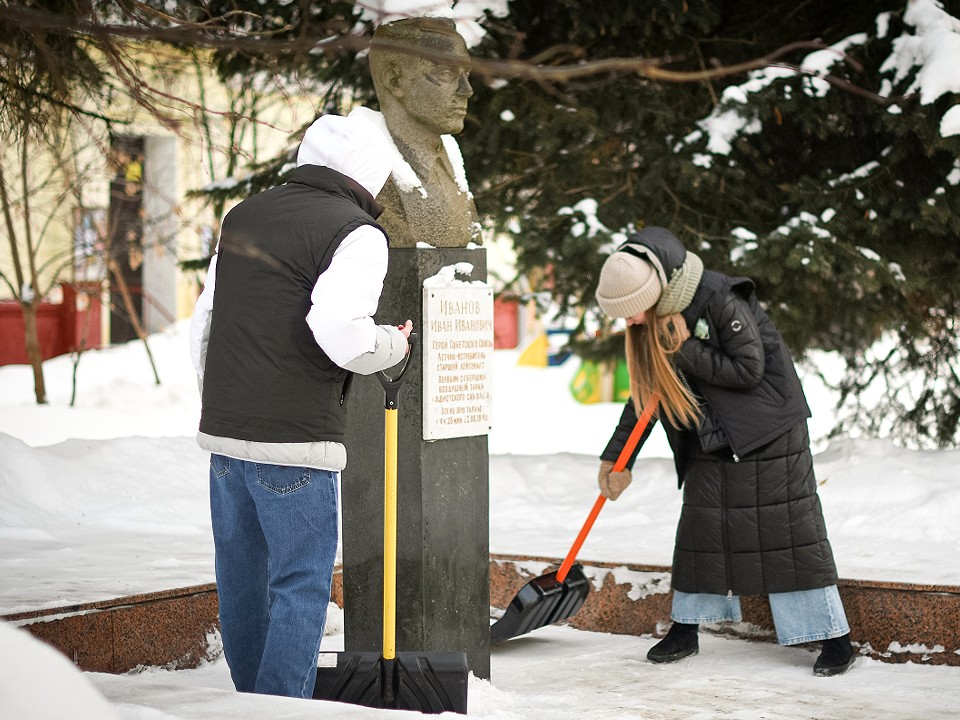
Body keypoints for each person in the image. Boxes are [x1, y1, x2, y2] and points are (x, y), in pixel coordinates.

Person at [189, 113, 413, 698]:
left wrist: (224, 408)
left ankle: (251, 704)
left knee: (240, 582)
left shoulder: (244, 214)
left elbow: (206, 321)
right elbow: (339, 329)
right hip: (295, 443)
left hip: (224, 438)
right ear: (368, 172)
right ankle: (281, 709)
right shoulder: (357, 232)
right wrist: (391, 343)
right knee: (298, 586)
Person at [594, 226, 856, 677]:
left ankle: (834, 638)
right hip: (711, 435)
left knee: (788, 537)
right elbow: (646, 395)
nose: (631, 323)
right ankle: (685, 629)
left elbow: (748, 370)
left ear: (655, 292)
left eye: (633, 312)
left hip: (767, 432)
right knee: (700, 532)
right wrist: (618, 457)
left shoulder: (718, 297)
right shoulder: (655, 319)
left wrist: (685, 347)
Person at [367, 16, 481, 248]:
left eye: (466, 75)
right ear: (395, 80)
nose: (466, 90)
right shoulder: (370, 177)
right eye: (447, 74)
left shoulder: (452, 163)